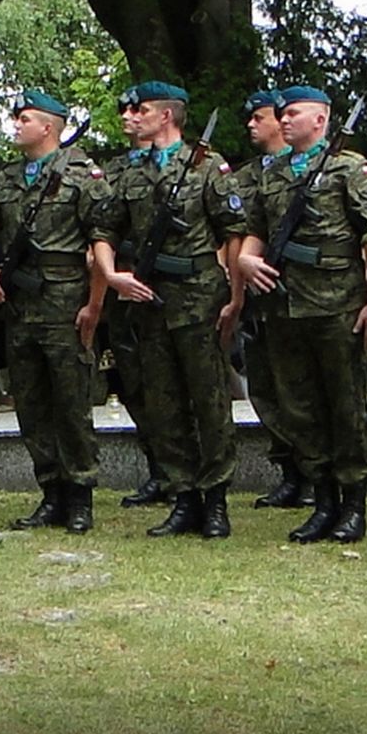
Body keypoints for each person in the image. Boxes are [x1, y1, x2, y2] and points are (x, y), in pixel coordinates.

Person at [232, 85, 367, 545]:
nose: (284, 119)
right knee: (300, 408)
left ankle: (353, 505)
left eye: (294, 113)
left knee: (345, 405)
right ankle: (322, 501)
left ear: (320, 120)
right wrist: (246, 259)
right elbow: (255, 229)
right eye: (281, 114)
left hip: (337, 305)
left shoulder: (347, 169)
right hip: (285, 306)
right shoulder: (274, 174)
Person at [91, 84, 247, 540]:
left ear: (166, 116)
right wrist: (112, 275)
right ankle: (183, 496)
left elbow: (234, 230)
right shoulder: (128, 172)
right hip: (149, 300)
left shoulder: (205, 166)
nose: (133, 116)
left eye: (142, 110)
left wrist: (234, 295)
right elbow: (104, 230)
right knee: (163, 402)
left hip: (198, 296)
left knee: (209, 400)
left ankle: (215, 500)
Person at [0, 91, 112, 533]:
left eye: (25, 118)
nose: (16, 125)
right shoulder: (8, 178)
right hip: (20, 305)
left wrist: (94, 304)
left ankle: (80, 495)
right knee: (31, 404)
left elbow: (102, 240)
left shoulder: (81, 174)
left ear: (48, 127)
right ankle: (50, 493)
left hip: (65, 301)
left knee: (71, 403)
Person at [226, 88, 313, 510]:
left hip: (306, 295)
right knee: (264, 387)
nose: (251, 125)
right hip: (259, 297)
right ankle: (290, 471)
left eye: (259, 117)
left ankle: (315, 472)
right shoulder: (244, 177)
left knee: (304, 389)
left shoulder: (314, 168)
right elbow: (234, 234)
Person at [99, 87, 171, 509]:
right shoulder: (113, 171)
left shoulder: (187, 164)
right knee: (133, 381)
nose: (128, 116)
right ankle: (160, 469)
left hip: (174, 285)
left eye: (135, 109)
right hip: (124, 283)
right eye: (123, 110)